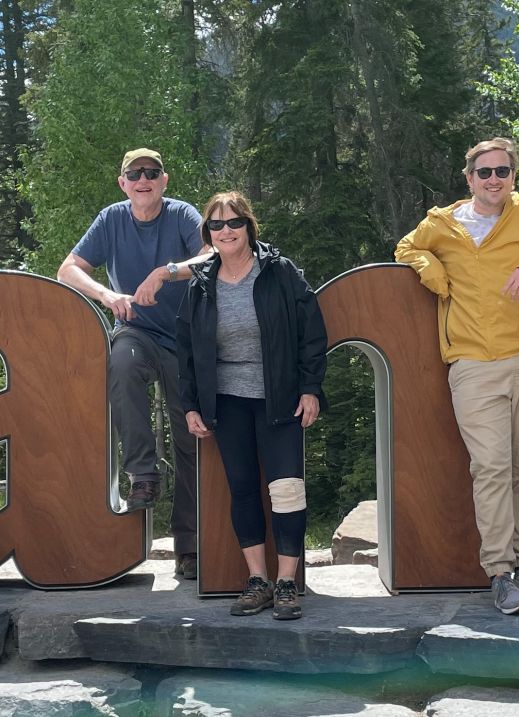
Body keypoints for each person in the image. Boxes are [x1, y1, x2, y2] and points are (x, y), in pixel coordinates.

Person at [394, 138, 519, 615]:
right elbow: (406, 248)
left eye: (503, 171)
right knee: (491, 469)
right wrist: (431, 270)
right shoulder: (442, 223)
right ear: (469, 177)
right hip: (473, 365)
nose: (495, 180)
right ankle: (499, 573)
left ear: (513, 175)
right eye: (485, 172)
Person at [57, 148, 214, 580]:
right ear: (123, 183)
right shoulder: (111, 219)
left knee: (191, 438)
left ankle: (192, 545)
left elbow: (211, 255)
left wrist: (167, 272)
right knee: (121, 366)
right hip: (136, 330)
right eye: (134, 174)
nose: (143, 180)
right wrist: (108, 296)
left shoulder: (181, 214)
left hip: (184, 339)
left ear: (163, 181)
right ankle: (142, 474)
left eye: (152, 173)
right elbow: (67, 268)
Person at [176, 191, 328, 620]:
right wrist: (192, 404)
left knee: (286, 491)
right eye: (217, 226)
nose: (226, 231)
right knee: (242, 489)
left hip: (279, 399)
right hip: (226, 403)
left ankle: (286, 585)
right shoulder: (201, 282)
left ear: (249, 226)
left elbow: (311, 334)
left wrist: (310, 388)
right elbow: (186, 348)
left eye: (234, 223)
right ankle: (258, 581)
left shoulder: (280, 272)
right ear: (208, 234)